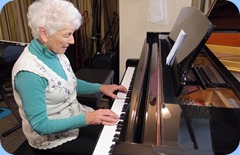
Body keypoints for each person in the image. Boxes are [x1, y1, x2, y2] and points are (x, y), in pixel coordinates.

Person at [11, 0, 127, 154]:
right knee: (112, 149)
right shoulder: (28, 74)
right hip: (51, 139)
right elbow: (40, 125)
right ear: (44, 34)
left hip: (76, 116)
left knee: (119, 132)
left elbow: (67, 82)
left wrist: (100, 87)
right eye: (67, 35)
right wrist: (88, 119)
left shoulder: (54, 51)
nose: (72, 41)